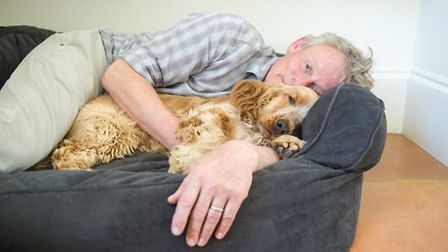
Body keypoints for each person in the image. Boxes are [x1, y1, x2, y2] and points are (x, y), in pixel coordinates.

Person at [100, 12, 373, 247]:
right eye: (307, 66)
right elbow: (118, 75)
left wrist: (250, 155)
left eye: (313, 89)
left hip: (113, 115)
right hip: (95, 59)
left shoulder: (286, 119)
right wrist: (193, 149)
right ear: (297, 45)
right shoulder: (231, 35)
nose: (297, 80)